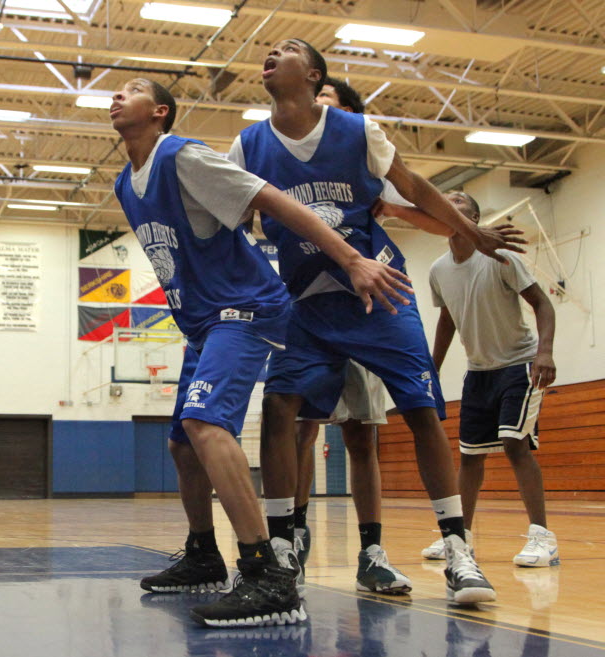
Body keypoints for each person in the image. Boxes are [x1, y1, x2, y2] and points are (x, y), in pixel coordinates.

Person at [230, 39, 525, 605]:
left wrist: (472, 232)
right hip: (305, 300)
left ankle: (458, 551)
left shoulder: (358, 131)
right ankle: (283, 544)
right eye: (269, 48)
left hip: (379, 291)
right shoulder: (248, 145)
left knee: (420, 410)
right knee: (279, 407)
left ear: (313, 75)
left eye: (286, 48)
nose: (270, 51)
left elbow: (414, 187)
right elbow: (234, 219)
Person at [110, 76, 412, 627]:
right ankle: (204, 555)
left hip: (246, 307)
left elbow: (272, 198)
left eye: (131, 89)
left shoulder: (184, 157)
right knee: (182, 445)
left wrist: (350, 258)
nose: (116, 95)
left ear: (159, 112)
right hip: (203, 321)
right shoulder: (125, 184)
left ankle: (267, 576)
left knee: (205, 424)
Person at [289, 76, 458, 595]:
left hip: (366, 306)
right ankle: (292, 539)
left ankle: (372, 552)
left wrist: (395, 208)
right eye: (315, 95)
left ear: (345, 113)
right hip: (309, 303)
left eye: (327, 97)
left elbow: (435, 219)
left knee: (361, 436)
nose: (317, 102)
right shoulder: (284, 158)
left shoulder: (361, 156)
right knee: (300, 430)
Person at [425, 191, 558, 567]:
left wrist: (545, 352)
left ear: (474, 218)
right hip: (478, 371)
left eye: (458, 201)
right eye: (444, 200)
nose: (449, 202)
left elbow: (542, 303)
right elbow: (447, 320)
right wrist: (433, 369)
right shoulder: (438, 270)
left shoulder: (500, 256)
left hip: (519, 363)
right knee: (470, 456)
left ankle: (542, 538)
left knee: (515, 444)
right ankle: (459, 537)